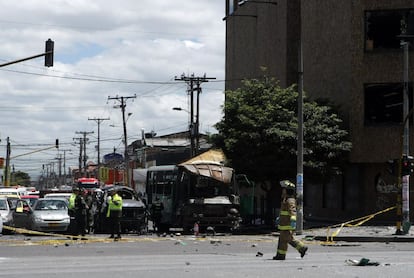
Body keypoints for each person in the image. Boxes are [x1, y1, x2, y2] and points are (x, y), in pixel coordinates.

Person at [273, 180, 308, 260]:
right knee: (283, 240)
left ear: (287, 190)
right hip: (284, 224)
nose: (282, 191)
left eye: (284, 189)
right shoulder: (286, 200)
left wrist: (293, 221)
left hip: (287, 225)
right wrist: (279, 219)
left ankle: (302, 248)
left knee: (288, 239)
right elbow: (284, 212)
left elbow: (293, 211)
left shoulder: (290, 200)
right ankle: (280, 255)